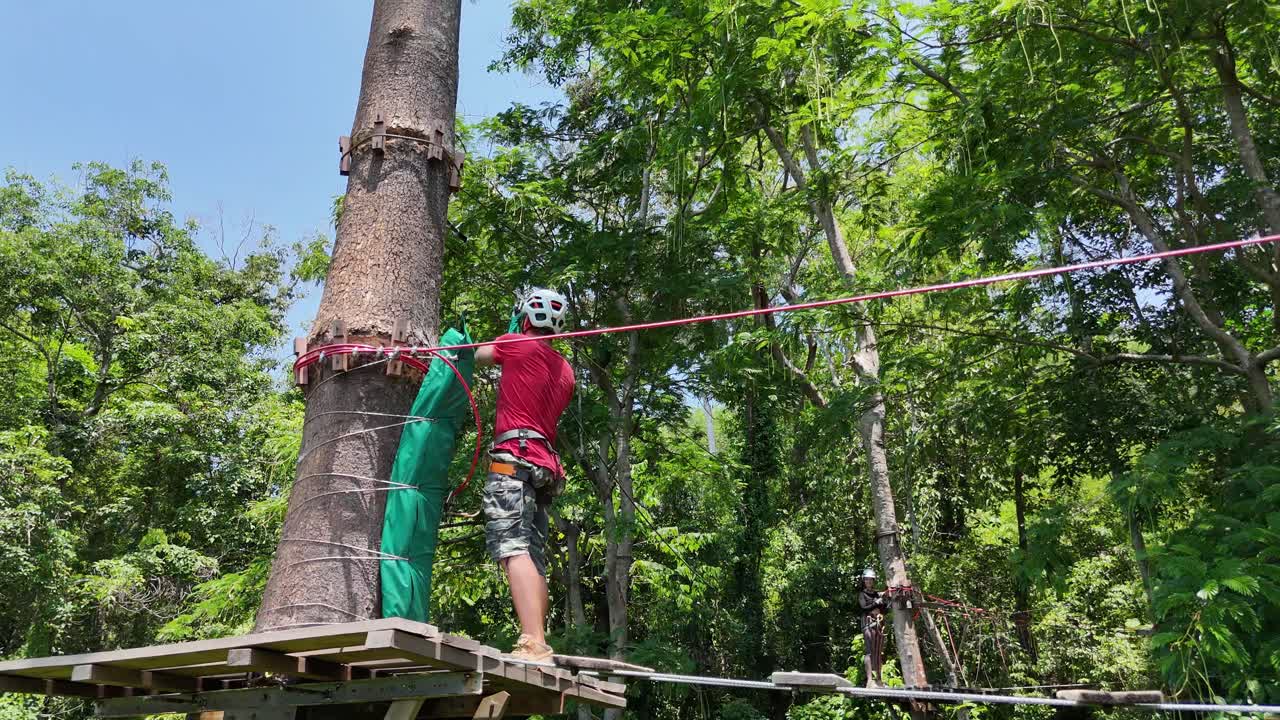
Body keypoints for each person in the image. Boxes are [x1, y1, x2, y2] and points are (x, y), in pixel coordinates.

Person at [475, 288, 574, 665]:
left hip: (514, 461)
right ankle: (539, 639)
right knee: (533, 556)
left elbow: (475, 355)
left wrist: (508, 335)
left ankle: (533, 643)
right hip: (543, 465)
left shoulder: (516, 344)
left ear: (527, 317)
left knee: (512, 548)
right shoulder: (566, 370)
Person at [858, 567, 889, 688]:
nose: (869, 582)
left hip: (878, 625)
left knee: (878, 652)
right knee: (870, 652)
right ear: (864, 581)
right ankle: (869, 680)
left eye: (871, 580)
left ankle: (879, 680)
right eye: (867, 580)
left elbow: (884, 610)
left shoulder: (877, 594)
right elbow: (863, 607)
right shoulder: (862, 594)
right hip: (868, 624)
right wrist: (876, 603)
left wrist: (884, 601)